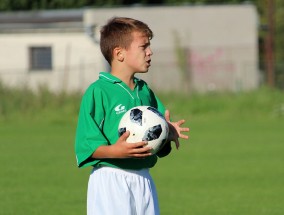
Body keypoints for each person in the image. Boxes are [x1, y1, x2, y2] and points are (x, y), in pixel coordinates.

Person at [75, 17, 189, 215]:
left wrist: (167, 136)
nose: (150, 52)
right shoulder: (98, 92)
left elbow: (158, 146)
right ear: (119, 53)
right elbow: (86, 146)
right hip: (111, 179)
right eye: (143, 46)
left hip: (144, 179)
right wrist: (116, 151)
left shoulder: (145, 92)